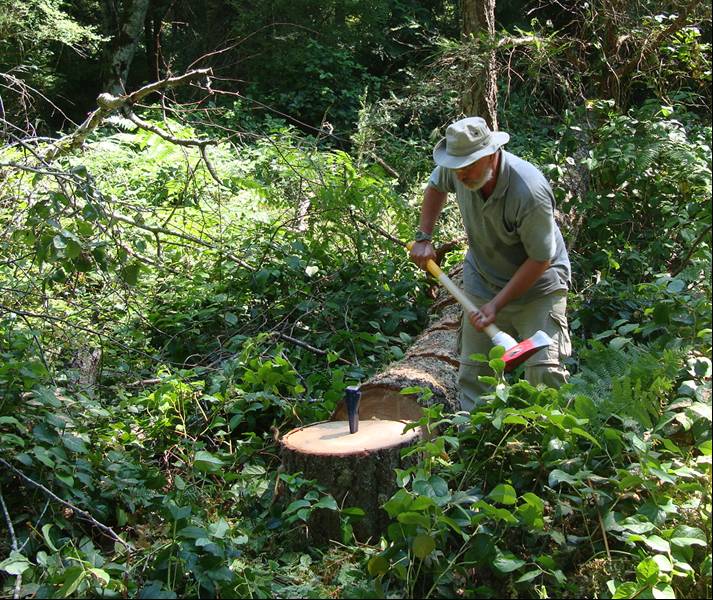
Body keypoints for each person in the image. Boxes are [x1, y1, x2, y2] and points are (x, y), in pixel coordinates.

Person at [410, 116, 572, 410]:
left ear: (491, 155)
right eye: (456, 167)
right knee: (475, 374)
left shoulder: (528, 191)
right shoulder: (459, 168)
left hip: (539, 286)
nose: (460, 175)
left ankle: (550, 443)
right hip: (483, 279)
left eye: (469, 165)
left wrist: (496, 305)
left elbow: (541, 259)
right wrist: (424, 237)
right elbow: (436, 186)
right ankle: (477, 443)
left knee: (543, 371)